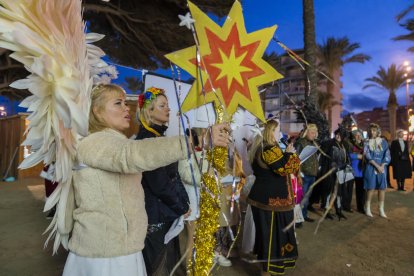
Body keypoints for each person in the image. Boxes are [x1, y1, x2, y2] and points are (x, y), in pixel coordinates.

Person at [62, 84, 230, 276]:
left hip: (119, 247)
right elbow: (135, 154)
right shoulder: (94, 142)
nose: (127, 108)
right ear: (96, 111)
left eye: (126, 103)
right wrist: (197, 140)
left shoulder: (111, 141)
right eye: (118, 103)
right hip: (106, 256)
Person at [135, 87, 192, 275]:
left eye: (167, 105)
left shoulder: (158, 136)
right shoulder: (147, 139)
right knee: (156, 266)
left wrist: (183, 203)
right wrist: (181, 206)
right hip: (156, 216)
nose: (168, 109)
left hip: (165, 212)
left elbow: (172, 178)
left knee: (166, 263)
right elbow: (160, 185)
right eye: (162, 105)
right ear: (149, 111)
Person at [247, 119, 300, 275]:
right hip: (268, 201)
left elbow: (285, 166)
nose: (280, 133)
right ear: (271, 132)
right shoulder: (268, 149)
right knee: (270, 238)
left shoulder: (271, 148)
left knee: (270, 237)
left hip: (270, 200)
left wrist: (289, 155)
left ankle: (267, 269)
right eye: (278, 131)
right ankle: (266, 271)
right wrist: (290, 155)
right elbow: (283, 169)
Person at [319, 128, 349, 220]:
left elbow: (346, 158)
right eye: (337, 134)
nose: (338, 136)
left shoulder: (344, 145)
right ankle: (326, 210)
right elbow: (322, 155)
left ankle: (338, 210)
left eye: (340, 135)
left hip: (340, 171)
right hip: (330, 171)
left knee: (338, 192)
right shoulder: (329, 143)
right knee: (328, 191)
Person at [363, 123, 391, 218]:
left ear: (378, 131)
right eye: (370, 130)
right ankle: (367, 208)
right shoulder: (366, 142)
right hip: (371, 167)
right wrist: (376, 165)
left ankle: (381, 209)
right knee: (370, 188)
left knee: (382, 188)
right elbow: (367, 155)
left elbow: (387, 154)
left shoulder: (383, 142)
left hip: (382, 168)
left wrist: (382, 165)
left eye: (374, 130)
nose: (372, 132)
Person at [294, 124, 319, 222]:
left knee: (307, 197)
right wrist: (299, 173)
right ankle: (297, 218)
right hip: (303, 175)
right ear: (306, 132)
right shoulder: (300, 143)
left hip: (312, 174)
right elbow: (296, 159)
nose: (314, 134)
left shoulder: (313, 143)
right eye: (312, 132)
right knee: (300, 197)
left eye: (315, 133)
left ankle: (304, 215)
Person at [349, 129, 365, 213]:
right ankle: (347, 206)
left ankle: (361, 207)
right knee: (349, 189)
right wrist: (357, 156)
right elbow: (348, 155)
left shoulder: (364, 144)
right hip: (352, 169)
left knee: (361, 190)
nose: (358, 136)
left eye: (359, 135)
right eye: (356, 135)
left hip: (361, 170)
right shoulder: (351, 144)